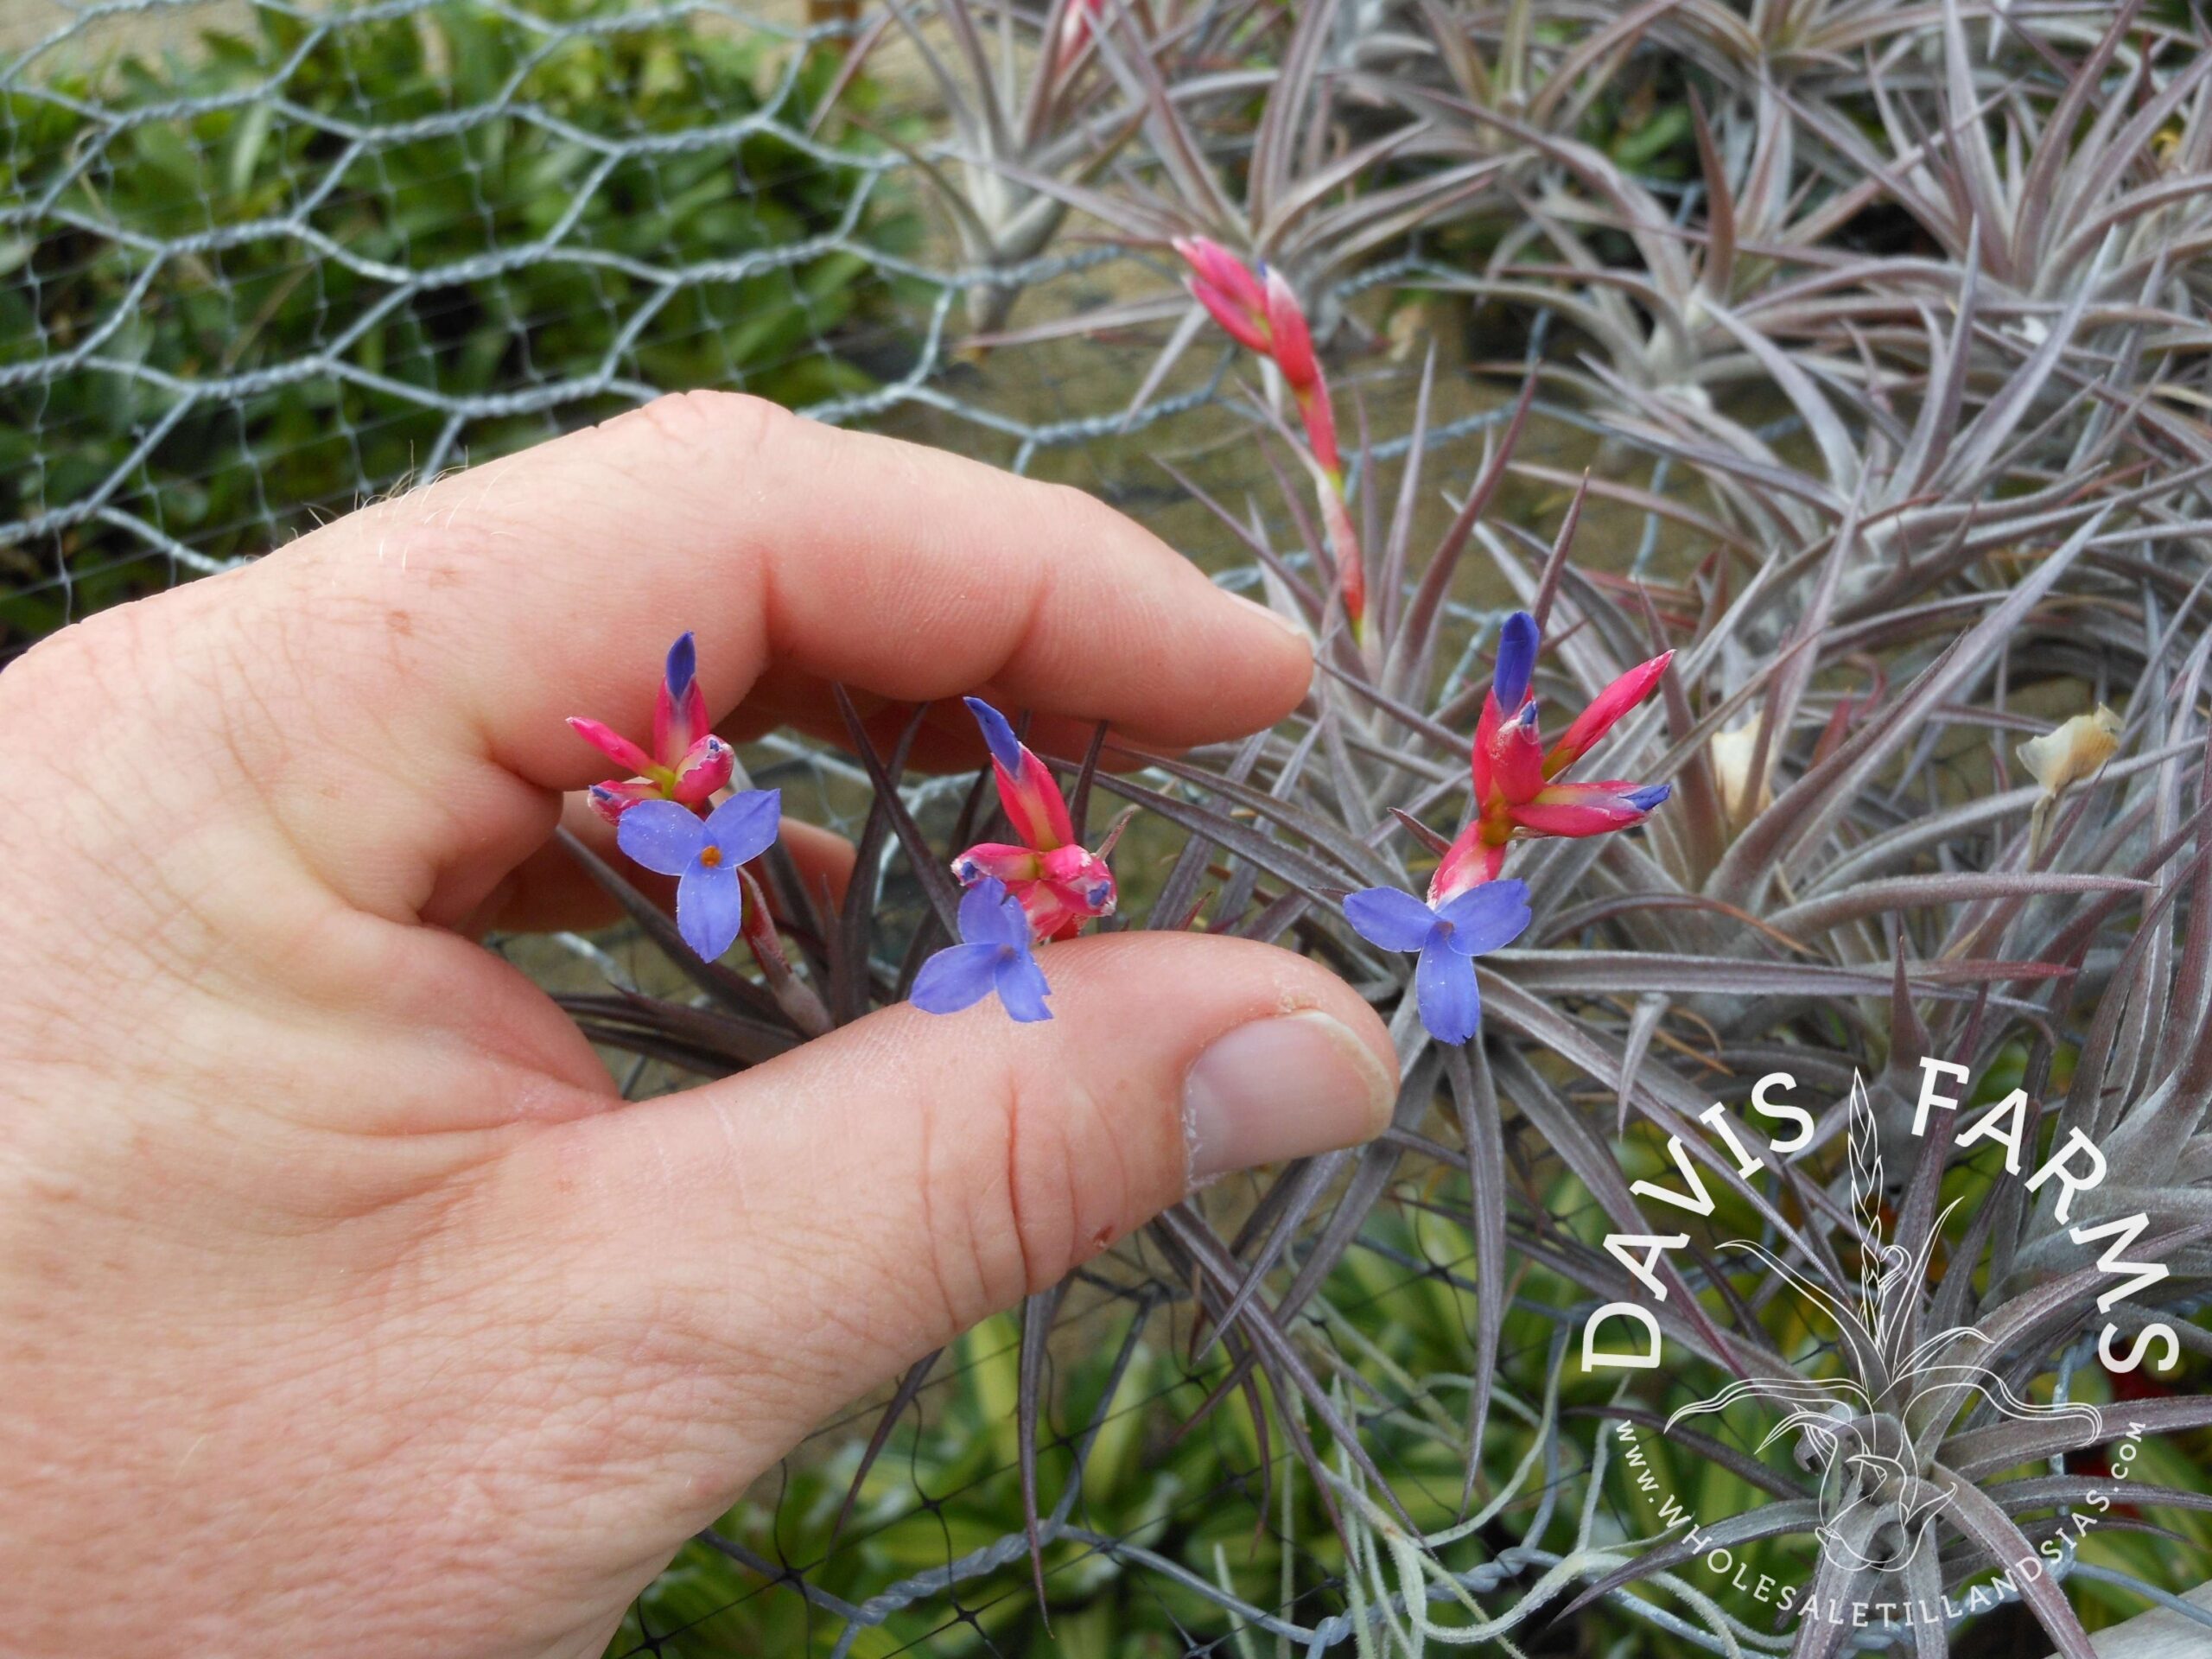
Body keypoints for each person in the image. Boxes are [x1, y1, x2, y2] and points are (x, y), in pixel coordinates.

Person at [0, 393, 1396, 1656]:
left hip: (838, 895)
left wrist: (1008, 895)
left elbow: (967, 906)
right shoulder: (724, 860)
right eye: (685, 828)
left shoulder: (790, 862)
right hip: (810, 898)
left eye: (707, 825)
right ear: (674, 820)